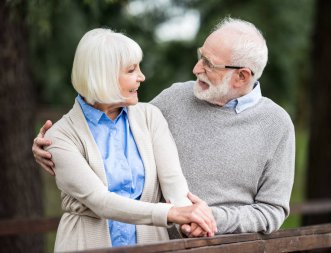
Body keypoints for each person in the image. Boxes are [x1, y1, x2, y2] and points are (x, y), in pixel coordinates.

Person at [33, 17, 295, 239]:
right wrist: (50, 146)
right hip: (159, 244)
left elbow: (272, 211)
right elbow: (111, 115)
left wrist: (207, 219)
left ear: (242, 76)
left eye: (209, 64)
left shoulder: (276, 125)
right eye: (200, 56)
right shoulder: (173, 99)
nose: (196, 69)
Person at [35, 28, 216, 252]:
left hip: (151, 245)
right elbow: (99, 201)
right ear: (104, 76)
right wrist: (171, 213)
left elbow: (175, 185)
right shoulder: (60, 136)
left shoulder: (150, 117)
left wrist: (192, 221)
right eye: (131, 70)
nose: (142, 76)